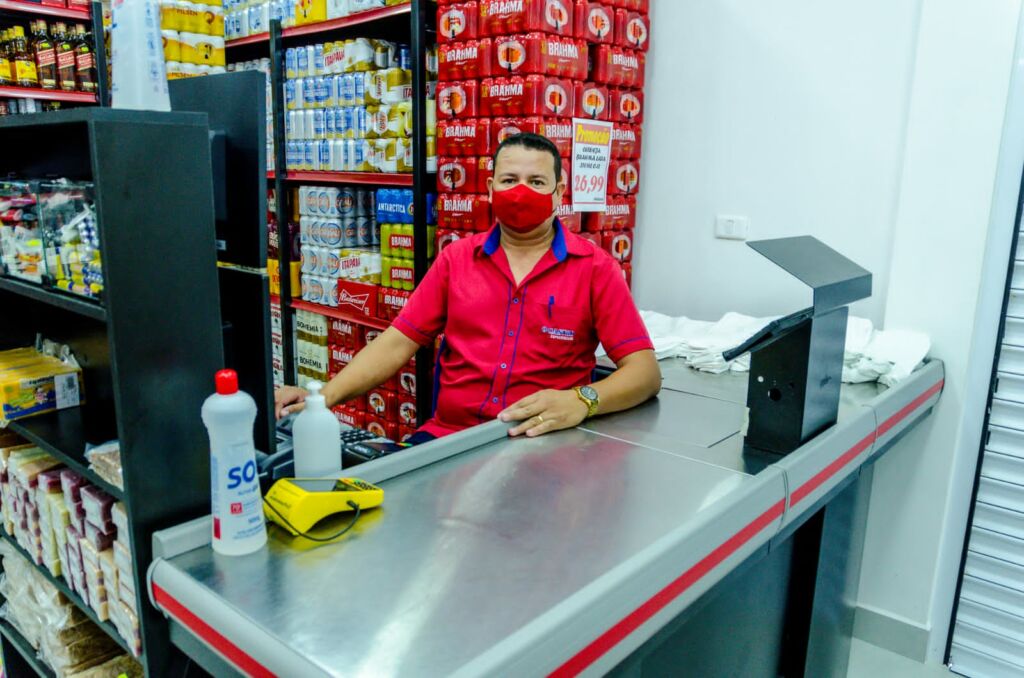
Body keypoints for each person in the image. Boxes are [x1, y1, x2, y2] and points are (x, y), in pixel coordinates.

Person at [275, 132, 661, 442]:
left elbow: (644, 373)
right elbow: (396, 343)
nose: (521, 191)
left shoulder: (595, 269)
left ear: (559, 192)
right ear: (490, 189)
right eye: (509, 180)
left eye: (536, 182)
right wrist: (320, 397)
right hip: (448, 438)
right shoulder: (456, 260)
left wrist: (583, 399)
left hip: (541, 441)